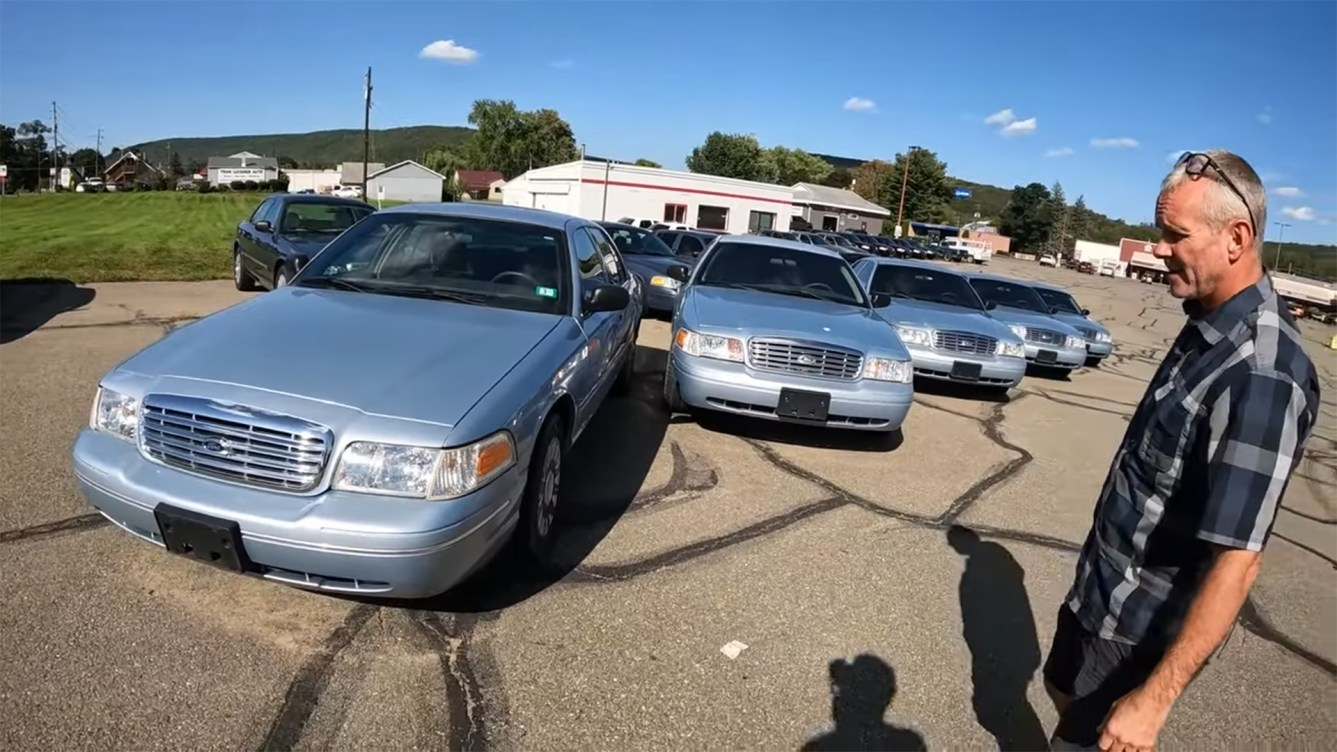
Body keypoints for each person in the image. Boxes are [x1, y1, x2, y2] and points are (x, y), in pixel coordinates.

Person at [1042, 149, 1321, 751]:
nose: (1158, 248)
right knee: (1059, 690)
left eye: (1176, 234)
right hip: (1098, 593)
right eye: (1158, 231)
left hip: (1138, 636)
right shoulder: (1204, 318)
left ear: (1236, 238)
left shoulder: (1262, 376)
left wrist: (1152, 700)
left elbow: (1237, 561)